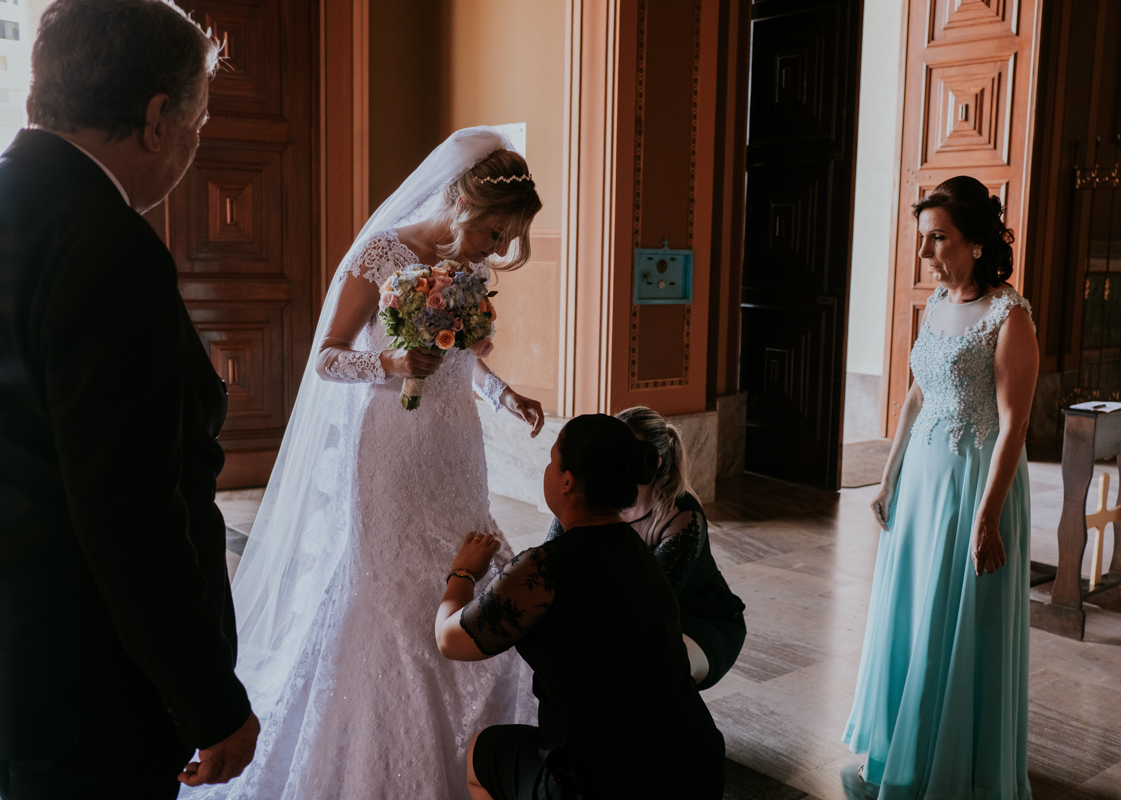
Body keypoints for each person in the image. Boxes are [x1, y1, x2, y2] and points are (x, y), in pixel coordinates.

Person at [183, 128, 546, 800]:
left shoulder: (467, 270)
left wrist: (502, 394)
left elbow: (464, 357)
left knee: (467, 557)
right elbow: (326, 358)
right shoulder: (382, 253)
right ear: (461, 203)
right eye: (493, 233)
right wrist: (391, 362)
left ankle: (477, 722)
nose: (494, 251)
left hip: (454, 445)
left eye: (504, 242)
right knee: (390, 585)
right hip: (391, 446)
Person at [0, 2, 260, 798]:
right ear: (157, 118)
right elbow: (128, 515)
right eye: (198, 123)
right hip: (85, 682)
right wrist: (209, 701)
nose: (192, 147)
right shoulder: (107, 246)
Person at [842, 176, 1037, 799]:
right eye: (923, 239)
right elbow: (916, 395)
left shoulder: (1011, 315)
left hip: (974, 484)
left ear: (977, 242)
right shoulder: (936, 303)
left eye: (939, 239)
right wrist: (888, 476)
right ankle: (906, 745)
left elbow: (1015, 422)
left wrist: (988, 519)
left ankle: (961, 766)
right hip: (923, 482)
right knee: (912, 611)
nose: (927, 253)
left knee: (957, 619)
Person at [435, 414, 726, 800]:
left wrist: (463, 573)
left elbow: (449, 640)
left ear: (567, 480)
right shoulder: (642, 550)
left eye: (552, 460)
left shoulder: (540, 570)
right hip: (694, 766)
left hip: (604, 782)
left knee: (481, 754)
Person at [547, 406, 746, 688]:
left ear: (656, 463)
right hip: (628, 613)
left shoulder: (682, 515)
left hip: (698, 619)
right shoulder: (591, 494)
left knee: (645, 665)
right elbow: (551, 563)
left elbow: (650, 608)